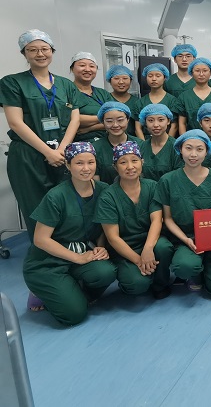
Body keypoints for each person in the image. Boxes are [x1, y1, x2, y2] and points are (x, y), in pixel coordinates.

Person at [22, 142, 116, 325]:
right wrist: (77, 258)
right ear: (68, 165)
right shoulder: (56, 196)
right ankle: (41, 292)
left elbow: (102, 224)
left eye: (90, 162)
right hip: (48, 262)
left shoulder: (104, 190)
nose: (86, 168)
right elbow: (40, 240)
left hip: (82, 252)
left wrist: (101, 247)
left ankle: (70, 292)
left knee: (106, 272)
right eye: (79, 163)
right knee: (74, 315)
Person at [0, 30, 81, 240]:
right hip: (29, 156)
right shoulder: (12, 82)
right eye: (32, 50)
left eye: (45, 49)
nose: (40, 54)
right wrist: (48, 152)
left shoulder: (66, 85)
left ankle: (69, 250)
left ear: (52, 51)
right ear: (24, 54)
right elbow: (15, 123)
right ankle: (43, 253)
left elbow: (75, 119)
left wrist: (61, 149)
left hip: (62, 153)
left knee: (66, 204)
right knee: (36, 208)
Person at [155, 129, 211, 298]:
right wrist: (186, 240)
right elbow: (167, 218)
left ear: (207, 151)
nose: (193, 154)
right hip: (185, 239)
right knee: (185, 266)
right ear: (180, 149)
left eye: (199, 149)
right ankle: (195, 273)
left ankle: (208, 270)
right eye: (188, 148)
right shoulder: (168, 180)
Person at [96, 142, 173, 299]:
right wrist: (139, 261)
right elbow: (113, 238)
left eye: (134, 160)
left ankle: (160, 284)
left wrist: (148, 249)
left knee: (164, 247)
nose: (130, 166)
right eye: (123, 162)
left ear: (142, 162)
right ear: (115, 167)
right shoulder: (108, 197)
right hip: (124, 249)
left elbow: (157, 220)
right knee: (137, 284)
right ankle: (140, 275)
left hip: (150, 242)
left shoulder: (152, 187)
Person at [92, 102, 143, 184]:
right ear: (103, 122)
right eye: (109, 121)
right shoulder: (95, 148)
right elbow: (95, 183)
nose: (115, 125)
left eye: (120, 120)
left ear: (128, 120)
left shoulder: (140, 145)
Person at [71, 52, 114, 142]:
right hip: (78, 144)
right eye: (82, 65)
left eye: (92, 66)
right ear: (72, 69)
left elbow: (115, 119)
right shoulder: (66, 92)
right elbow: (67, 118)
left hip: (106, 142)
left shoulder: (103, 94)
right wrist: (103, 117)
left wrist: (90, 127)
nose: (87, 69)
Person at [176, 57, 211, 134]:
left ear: (210, 72)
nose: (201, 74)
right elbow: (182, 123)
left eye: (205, 71)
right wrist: (185, 139)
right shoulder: (184, 97)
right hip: (192, 137)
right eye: (197, 71)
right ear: (191, 73)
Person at [133, 63, 179, 139]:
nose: (154, 79)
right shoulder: (140, 102)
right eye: (150, 76)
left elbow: (174, 126)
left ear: (164, 77)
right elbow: (138, 129)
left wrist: (167, 143)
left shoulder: (172, 101)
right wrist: (144, 144)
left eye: (158, 76)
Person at [138, 104, 183, 181]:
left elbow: (178, 177)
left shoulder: (176, 147)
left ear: (168, 121)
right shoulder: (141, 147)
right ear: (145, 122)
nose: (156, 125)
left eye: (161, 120)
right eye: (151, 120)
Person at [105, 65, 138, 134]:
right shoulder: (105, 99)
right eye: (116, 78)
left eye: (125, 78)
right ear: (110, 81)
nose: (121, 82)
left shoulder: (137, 102)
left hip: (133, 139)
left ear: (131, 80)